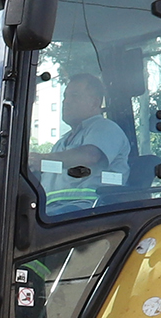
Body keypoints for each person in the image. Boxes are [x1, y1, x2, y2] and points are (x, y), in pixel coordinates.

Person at [37, 67, 132, 213]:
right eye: (65, 96)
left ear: (95, 102)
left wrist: (42, 158)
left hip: (89, 210)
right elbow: (48, 168)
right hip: (51, 211)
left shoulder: (105, 128)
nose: (66, 102)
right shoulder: (61, 143)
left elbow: (89, 156)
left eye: (74, 96)